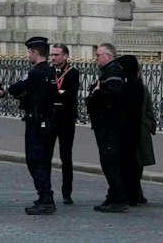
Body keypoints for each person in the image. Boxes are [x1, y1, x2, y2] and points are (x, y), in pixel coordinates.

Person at [13, 36, 58, 214]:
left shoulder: (35, 72)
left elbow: (15, 88)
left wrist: (23, 94)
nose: (28, 55)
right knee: (44, 160)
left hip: (36, 122)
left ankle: (46, 198)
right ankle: (44, 196)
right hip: (48, 121)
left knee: (35, 160)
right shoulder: (50, 72)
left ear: (35, 52)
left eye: (30, 52)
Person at [86, 43, 132, 212]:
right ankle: (113, 195)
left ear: (108, 56)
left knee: (111, 162)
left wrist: (96, 94)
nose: (96, 59)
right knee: (108, 161)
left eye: (98, 55)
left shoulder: (113, 72)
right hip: (105, 123)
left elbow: (114, 96)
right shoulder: (109, 72)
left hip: (110, 125)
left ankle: (118, 198)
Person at [48, 43, 81, 204]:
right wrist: (58, 93)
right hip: (50, 118)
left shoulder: (73, 73)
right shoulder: (48, 71)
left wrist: (56, 93)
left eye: (56, 55)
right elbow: (47, 93)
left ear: (66, 56)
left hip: (66, 119)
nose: (53, 57)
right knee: (46, 155)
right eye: (52, 55)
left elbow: (70, 94)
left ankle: (67, 192)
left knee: (66, 157)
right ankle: (46, 191)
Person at [122, 54, 156, 205]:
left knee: (137, 164)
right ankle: (135, 192)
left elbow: (149, 111)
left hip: (139, 131)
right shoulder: (125, 86)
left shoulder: (140, 88)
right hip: (131, 131)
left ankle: (135, 192)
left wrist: (148, 125)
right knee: (131, 164)